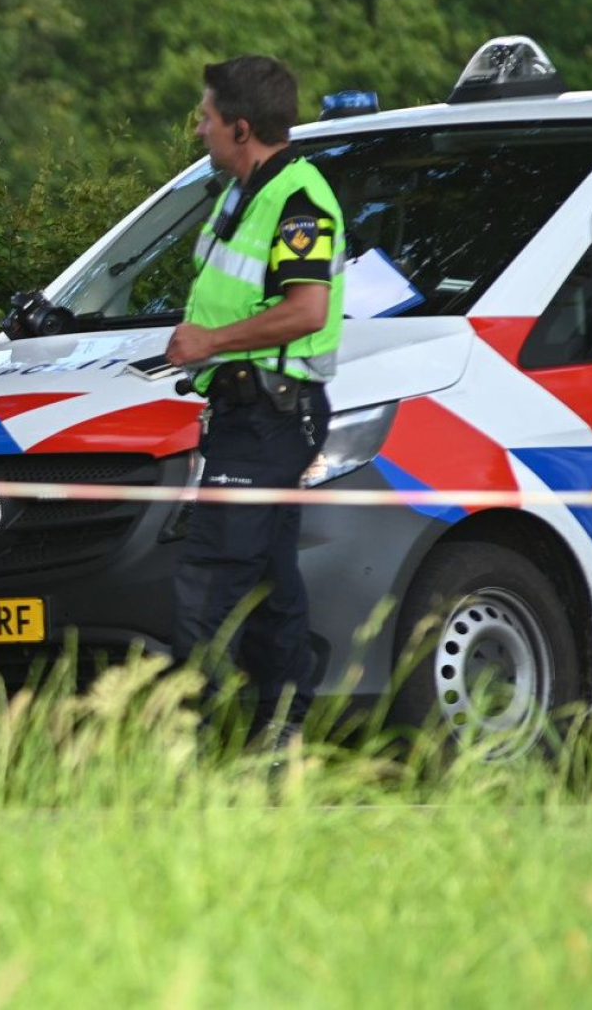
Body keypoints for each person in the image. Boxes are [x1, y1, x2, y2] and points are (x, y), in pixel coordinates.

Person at [164, 56, 345, 747]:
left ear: (241, 128)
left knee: (211, 574)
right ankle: (281, 732)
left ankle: (192, 738)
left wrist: (211, 341)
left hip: (271, 412)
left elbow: (304, 309)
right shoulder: (240, 192)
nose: (200, 128)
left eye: (206, 117)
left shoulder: (299, 199)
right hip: (247, 411)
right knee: (271, 581)